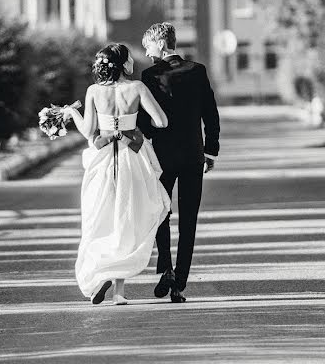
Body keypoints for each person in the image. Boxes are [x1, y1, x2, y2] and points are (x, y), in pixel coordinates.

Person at [65, 43, 171, 305]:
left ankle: (103, 276)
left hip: (102, 161)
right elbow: (161, 121)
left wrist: (71, 113)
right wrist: (136, 130)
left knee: (102, 218)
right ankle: (119, 292)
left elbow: (89, 131)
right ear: (124, 64)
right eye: (131, 60)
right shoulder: (136, 88)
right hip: (130, 159)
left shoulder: (93, 91)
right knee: (126, 220)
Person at [138, 22, 220, 303]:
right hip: (193, 156)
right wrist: (211, 151)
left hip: (161, 158)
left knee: (161, 212)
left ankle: (167, 268)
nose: (146, 52)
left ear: (160, 44)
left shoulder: (150, 75)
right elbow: (211, 113)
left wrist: (143, 145)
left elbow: (144, 122)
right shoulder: (197, 71)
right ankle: (179, 283)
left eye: (148, 45)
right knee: (189, 219)